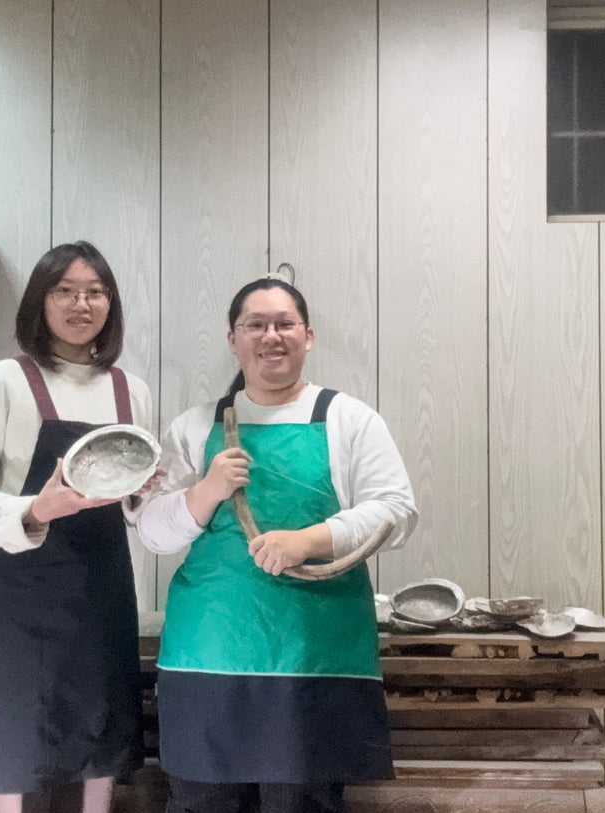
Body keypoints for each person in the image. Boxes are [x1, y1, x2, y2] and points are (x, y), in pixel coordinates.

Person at [137, 277, 418, 813]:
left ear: (308, 336)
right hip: (208, 654)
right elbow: (152, 531)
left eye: (285, 324)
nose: (271, 336)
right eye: (256, 325)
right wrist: (208, 490)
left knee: (303, 801)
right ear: (232, 339)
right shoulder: (195, 427)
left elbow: (397, 511)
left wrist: (309, 540)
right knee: (202, 802)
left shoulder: (349, 420)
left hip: (316, 653)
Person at [0, 241, 155, 813]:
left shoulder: (131, 390)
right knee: (8, 747)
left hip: (103, 600)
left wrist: (145, 493)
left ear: (111, 304)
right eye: (66, 291)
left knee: (97, 752)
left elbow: (135, 506)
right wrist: (34, 510)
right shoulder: (3, 382)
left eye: (96, 292)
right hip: (21, 604)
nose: (82, 304)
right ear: (40, 301)